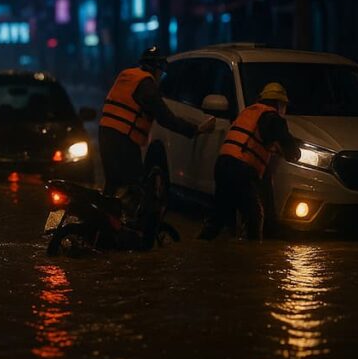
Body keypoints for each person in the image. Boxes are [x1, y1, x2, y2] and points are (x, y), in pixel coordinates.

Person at [98, 46, 214, 193]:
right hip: (124, 139)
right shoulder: (147, 85)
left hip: (105, 133)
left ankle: (108, 213)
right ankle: (128, 214)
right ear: (157, 68)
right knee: (134, 183)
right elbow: (166, 118)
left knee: (113, 182)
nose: (161, 75)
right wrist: (196, 129)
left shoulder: (127, 75)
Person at [198, 82, 301, 241]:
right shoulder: (273, 117)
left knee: (219, 215)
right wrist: (294, 153)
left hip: (223, 165)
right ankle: (252, 259)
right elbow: (289, 147)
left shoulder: (248, 112)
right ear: (279, 103)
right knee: (255, 217)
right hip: (241, 169)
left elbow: (255, 139)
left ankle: (204, 245)